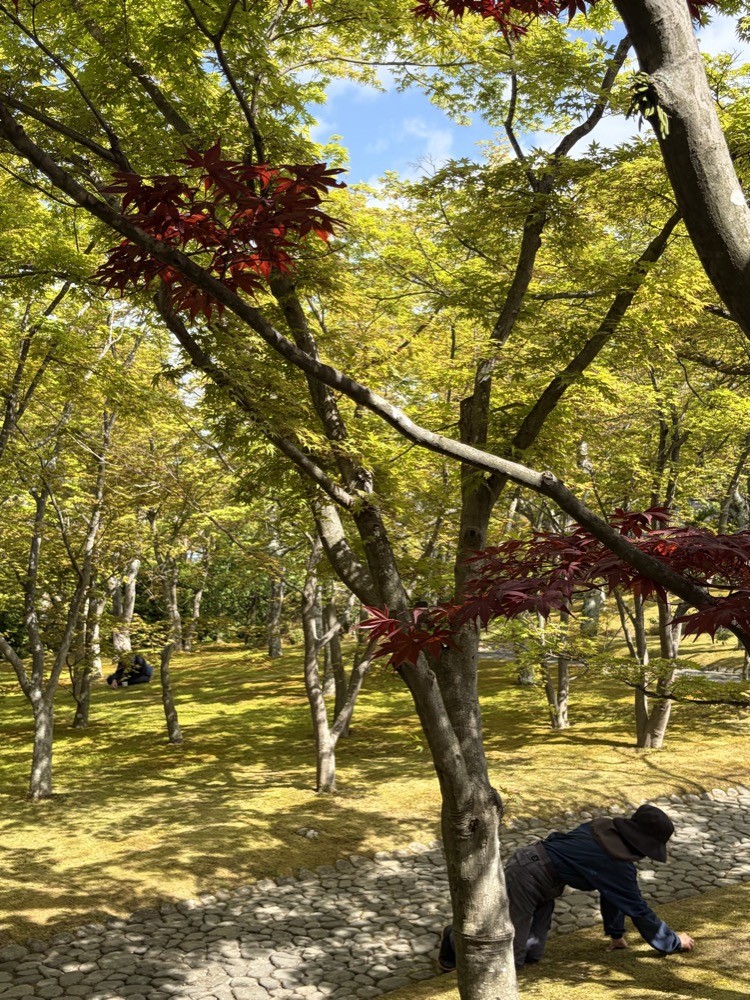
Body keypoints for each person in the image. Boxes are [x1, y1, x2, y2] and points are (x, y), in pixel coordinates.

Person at [438, 804, 695, 973]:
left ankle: (463, 939)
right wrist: (673, 943)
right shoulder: (616, 862)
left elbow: (614, 894)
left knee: (531, 954)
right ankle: (454, 938)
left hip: (547, 882)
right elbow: (639, 910)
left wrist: (616, 934)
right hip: (527, 874)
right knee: (510, 961)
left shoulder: (606, 829)